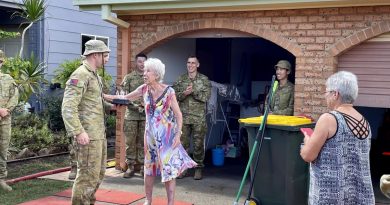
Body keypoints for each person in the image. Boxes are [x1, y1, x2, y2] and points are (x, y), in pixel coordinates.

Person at [104, 58, 196, 205]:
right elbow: (125, 97)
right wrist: (104, 96)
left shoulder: (169, 91)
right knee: (149, 169)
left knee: (168, 171)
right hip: (150, 138)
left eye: (148, 71)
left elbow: (179, 115)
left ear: (157, 74)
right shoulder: (144, 89)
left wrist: (178, 135)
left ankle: (170, 203)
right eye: (144, 70)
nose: (144, 73)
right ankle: (148, 200)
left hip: (167, 139)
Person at [300, 71, 375, 204]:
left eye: (326, 92)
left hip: (330, 198)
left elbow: (308, 155)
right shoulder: (365, 122)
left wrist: (307, 141)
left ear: (335, 94)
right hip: (359, 197)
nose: (325, 97)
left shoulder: (328, 119)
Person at [62, 40, 111, 204]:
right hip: (88, 135)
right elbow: (68, 107)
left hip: (98, 134)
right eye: (105, 55)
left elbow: (93, 101)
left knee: (98, 174)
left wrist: (113, 106)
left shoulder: (93, 74)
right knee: (86, 177)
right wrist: (78, 131)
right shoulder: (80, 74)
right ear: (95, 55)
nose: (107, 59)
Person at [172, 56, 211, 180]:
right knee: (182, 144)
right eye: (188, 62)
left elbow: (206, 97)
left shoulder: (204, 80)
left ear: (198, 65)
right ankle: (183, 168)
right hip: (183, 117)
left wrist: (193, 92)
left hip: (198, 118)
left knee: (198, 144)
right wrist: (184, 93)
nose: (190, 65)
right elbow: (174, 97)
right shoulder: (180, 80)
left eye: (193, 63)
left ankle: (198, 167)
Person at [120, 53, 147, 178]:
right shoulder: (129, 78)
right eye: (140, 61)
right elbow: (123, 95)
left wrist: (145, 106)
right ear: (136, 63)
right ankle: (130, 166)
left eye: (144, 62)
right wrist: (137, 107)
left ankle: (142, 167)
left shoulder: (150, 78)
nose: (142, 64)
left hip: (146, 116)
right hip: (131, 115)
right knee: (130, 142)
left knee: (143, 142)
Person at [0, 50, 19, 192]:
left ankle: (1, 178)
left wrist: (7, 110)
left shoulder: (8, 79)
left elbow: (15, 96)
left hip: (4, 120)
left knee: (3, 148)